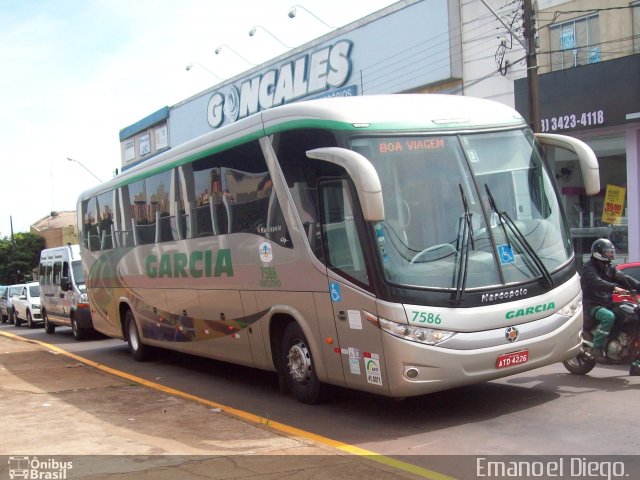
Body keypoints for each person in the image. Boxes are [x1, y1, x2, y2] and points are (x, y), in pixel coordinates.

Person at [580, 238, 640, 374]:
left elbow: (624, 279)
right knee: (609, 316)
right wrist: (614, 287)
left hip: (607, 302)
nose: (610, 255)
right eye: (607, 253)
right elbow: (596, 282)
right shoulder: (588, 267)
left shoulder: (609, 267)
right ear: (598, 252)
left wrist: (637, 285)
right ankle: (597, 347)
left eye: (610, 252)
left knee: (628, 311)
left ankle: (622, 343)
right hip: (592, 305)